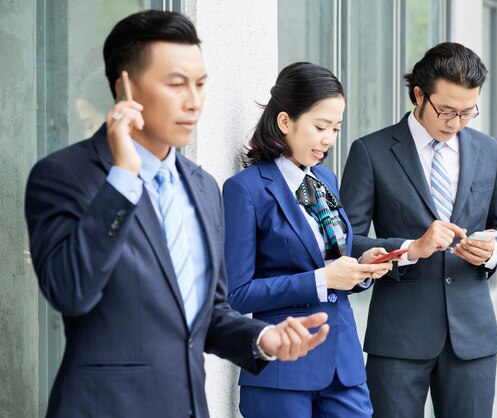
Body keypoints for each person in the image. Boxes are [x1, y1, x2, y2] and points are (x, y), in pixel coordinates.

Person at [24, 11, 328, 418]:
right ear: (125, 88)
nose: (194, 100)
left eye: (200, 84)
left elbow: (209, 314)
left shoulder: (203, 186)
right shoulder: (63, 176)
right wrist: (122, 182)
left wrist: (262, 338)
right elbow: (70, 290)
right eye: (175, 84)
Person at [340, 42, 497, 418]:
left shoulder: (490, 151)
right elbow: (347, 242)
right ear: (419, 94)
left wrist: (495, 252)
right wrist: (410, 248)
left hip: (473, 339)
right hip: (398, 338)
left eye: (467, 112)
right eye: (446, 110)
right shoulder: (370, 151)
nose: (455, 123)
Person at [222, 62, 395, 418]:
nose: (329, 140)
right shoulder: (246, 190)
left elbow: (330, 261)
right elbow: (236, 295)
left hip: (343, 365)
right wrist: (322, 280)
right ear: (285, 122)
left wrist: (359, 269)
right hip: (282, 371)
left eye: (335, 128)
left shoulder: (326, 181)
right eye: (320, 127)